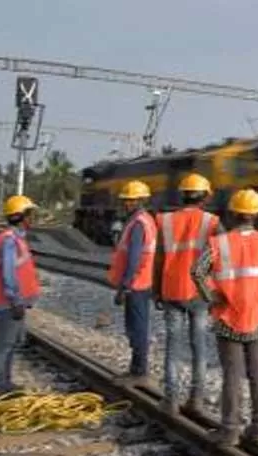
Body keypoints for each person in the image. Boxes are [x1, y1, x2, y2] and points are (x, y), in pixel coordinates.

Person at [191, 188, 258, 447]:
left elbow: (197, 271)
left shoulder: (219, 243)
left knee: (232, 375)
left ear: (233, 213)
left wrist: (211, 297)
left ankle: (230, 430)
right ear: (256, 214)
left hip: (228, 318)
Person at [153, 173, 224, 415]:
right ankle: (196, 400)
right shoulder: (212, 222)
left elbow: (158, 259)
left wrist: (156, 290)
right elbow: (223, 257)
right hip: (200, 293)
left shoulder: (165, 221)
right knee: (199, 346)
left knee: (172, 347)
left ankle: (171, 400)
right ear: (206, 197)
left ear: (182, 195)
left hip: (172, 290)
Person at [0, 196, 41, 398]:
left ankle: (5, 383)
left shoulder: (14, 238)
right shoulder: (9, 240)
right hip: (8, 302)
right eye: (29, 214)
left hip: (10, 301)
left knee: (9, 343)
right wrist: (16, 300)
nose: (32, 218)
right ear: (20, 216)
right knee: (3, 344)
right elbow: (8, 273)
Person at [106, 180, 158, 386]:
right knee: (138, 325)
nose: (127, 203)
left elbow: (134, 259)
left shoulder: (138, 224)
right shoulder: (146, 220)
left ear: (141, 201)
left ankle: (139, 371)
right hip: (143, 281)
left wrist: (124, 287)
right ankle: (137, 369)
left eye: (131, 200)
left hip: (136, 284)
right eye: (126, 200)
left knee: (137, 327)